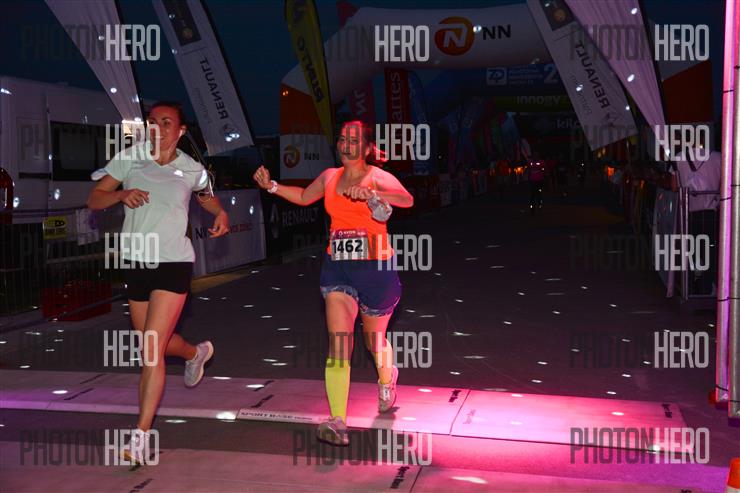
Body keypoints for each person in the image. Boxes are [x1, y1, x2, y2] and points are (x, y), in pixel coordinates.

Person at [253, 120, 414, 446]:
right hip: (338, 269)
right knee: (339, 343)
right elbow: (303, 196)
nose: (346, 145)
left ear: (366, 147)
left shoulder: (377, 176)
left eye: (353, 140)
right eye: (342, 139)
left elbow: (406, 199)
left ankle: (387, 378)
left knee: (374, 342)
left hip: (376, 271)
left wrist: (372, 193)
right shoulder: (330, 176)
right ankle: (337, 420)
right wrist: (271, 186)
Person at [87, 101, 229, 464]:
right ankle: (195, 353)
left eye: (166, 122)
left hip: (173, 262)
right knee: (154, 346)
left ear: (181, 131)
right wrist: (120, 194)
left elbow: (207, 199)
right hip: (137, 262)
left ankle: (140, 437)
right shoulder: (130, 158)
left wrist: (221, 212)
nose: (158, 128)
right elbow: (95, 199)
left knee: (151, 348)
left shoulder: (192, 168)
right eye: (152, 121)